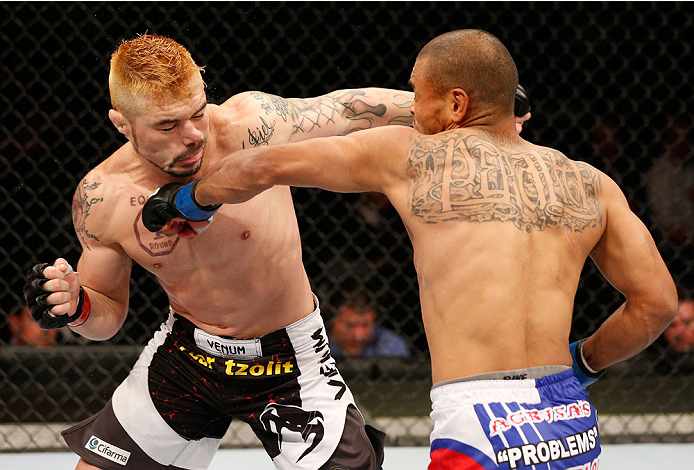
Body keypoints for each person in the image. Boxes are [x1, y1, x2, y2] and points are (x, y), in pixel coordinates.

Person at [144, 29, 679, 469]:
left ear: (455, 103)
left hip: (481, 421)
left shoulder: (412, 155)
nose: (409, 107)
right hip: (571, 423)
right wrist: (584, 362)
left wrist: (185, 201)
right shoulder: (590, 182)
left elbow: (264, 165)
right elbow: (656, 305)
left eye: (416, 92)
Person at [22, 33, 417, 470]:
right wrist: (76, 307)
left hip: (287, 358)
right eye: (168, 126)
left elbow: (347, 109)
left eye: (197, 114)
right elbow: (107, 317)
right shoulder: (101, 198)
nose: (192, 136)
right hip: (186, 356)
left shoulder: (251, 127)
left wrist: (461, 109)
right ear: (122, 124)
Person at [327, 280, 410, 358]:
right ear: (332, 318)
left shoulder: (392, 345)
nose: (357, 336)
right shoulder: (315, 344)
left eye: (365, 325)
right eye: (349, 325)